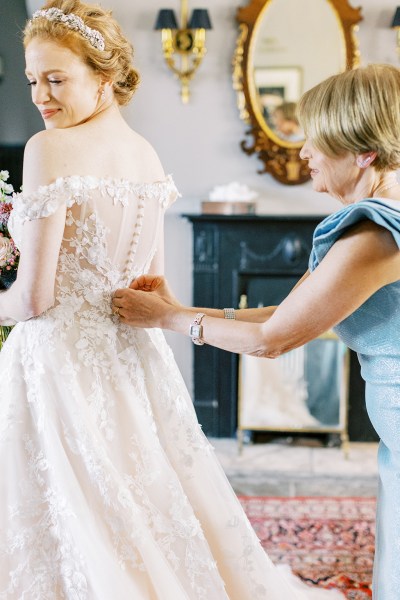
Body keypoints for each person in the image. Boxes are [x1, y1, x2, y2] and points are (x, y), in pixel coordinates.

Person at [0, 1, 344, 598]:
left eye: (57, 79)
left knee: (72, 508)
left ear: (104, 78)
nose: (40, 96)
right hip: (134, 359)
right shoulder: (147, 156)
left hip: (58, 362)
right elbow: (153, 286)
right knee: (143, 503)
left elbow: (32, 299)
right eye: (33, 80)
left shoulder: (47, 150)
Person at [113, 63, 400, 600]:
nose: (305, 153)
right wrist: (182, 306)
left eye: (317, 140)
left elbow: (274, 340)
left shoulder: (375, 236)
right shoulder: (383, 218)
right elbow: (286, 312)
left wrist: (166, 320)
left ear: (364, 153)